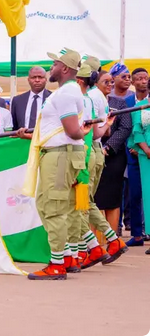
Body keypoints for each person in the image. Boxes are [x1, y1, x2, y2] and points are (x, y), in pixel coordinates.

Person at [22, 48, 89, 281]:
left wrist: (82, 132)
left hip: (60, 155)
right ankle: (68, 257)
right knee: (48, 204)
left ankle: (57, 264)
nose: (51, 67)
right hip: (60, 153)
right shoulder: (66, 92)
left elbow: (72, 131)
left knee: (54, 208)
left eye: (55, 63)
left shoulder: (64, 95)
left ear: (65, 68)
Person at [69, 64, 127, 271]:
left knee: (79, 204)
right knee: (85, 202)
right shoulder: (95, 97)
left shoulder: (89, 97)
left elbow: (91, 133)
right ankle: (108, 241)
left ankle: (83, 249)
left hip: (85, 153)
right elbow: (99, 132)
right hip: (91, 151)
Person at [94, 66, 132, 232]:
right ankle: (94, 240)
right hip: (92, 153)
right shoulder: (88, 102)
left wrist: (108, 147)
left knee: (112, 197)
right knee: (93, 197)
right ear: (95, 84)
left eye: (111, 81)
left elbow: (125, 127)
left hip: (113, 157)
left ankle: (113, 237)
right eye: (106, 82)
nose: (110, 84)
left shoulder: (119, 102)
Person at [125, 68, 149, 247]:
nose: (142, 81)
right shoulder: (127, 102)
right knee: (134, 194)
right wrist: (135, 146)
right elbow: (128, 127)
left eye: (145, 78)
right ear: (133, 82)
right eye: (138, 79)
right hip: (135, 155)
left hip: (145, 152)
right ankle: (137, 234)